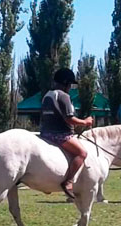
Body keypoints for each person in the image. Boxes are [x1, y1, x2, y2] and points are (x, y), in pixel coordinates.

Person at [39, 68, 94, 199]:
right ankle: (68, 181)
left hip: (45, 133)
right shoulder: (63, 96)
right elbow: (69, 118)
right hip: (60, 134)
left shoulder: (47, 95)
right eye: (70, 85)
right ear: (65, 83)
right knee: (82, 153)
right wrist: (85, 122)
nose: (70, 88)